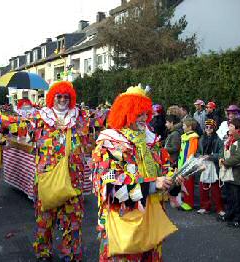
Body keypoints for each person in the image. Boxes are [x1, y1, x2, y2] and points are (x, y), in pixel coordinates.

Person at [92, 86, 180, 261]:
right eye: (138, 114)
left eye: (145, 114)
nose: (144, 118)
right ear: (125, 113)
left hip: (151, 222)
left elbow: (165, 172)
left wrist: (175, 181)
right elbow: (110, 192)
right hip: (124, 226)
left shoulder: (152, 142)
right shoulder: (110, 144)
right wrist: (153, 185)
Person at [31, 81, 89, 261]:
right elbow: (26, 136)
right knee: (45, 219)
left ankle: (70, 254)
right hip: (48, 176)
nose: (63, 100)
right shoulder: (40, 118)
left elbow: (88, 141)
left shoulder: (79, 117)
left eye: (66, 97)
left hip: (73, 178)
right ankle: (43, 251)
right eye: (59, 96)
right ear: (52, 98)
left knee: (73, 219)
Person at [219, 118, 240, 227]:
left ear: (238, 129)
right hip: (231, 174)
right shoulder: (230, 140)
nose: (229, 128)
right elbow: (224, 152)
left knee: (239, 200)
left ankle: (239, 220)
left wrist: (225, 162)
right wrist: (221, 158)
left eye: (231, 126)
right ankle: (230, 215)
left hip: (239, 176)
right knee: (231, 198)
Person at [196, 119, 225, 218]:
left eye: (211, 127)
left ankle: (219, 208)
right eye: (206, 127)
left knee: (215, 188)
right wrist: (200, 156)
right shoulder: (201, 139)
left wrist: (211, 157)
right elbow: (197, 152)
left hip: (214, 166)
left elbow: (222, 154)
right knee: (203, 187)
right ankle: (205, 207)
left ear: (214, 128)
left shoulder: (218, 140)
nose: (208, 129)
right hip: (203, 165)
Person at [177, 118, 199, 211]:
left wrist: (187, 164)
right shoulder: (185, 136)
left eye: (184, 125)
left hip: (187, 164)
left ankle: (189, 203)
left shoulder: (193, 137)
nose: (182, 127)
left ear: (189, 127)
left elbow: (191, 152)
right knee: (183, 183)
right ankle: (184, 201)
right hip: (182, 162)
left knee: (188, 184)